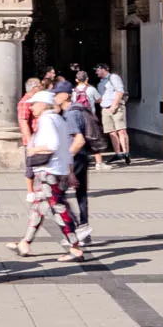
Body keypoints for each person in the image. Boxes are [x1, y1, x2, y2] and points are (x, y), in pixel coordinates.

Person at [6, 89, 85, 263]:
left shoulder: (47, 119)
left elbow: (53, 145)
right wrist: (69, 171)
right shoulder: (59, 119)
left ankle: (75, 247)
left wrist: (33, 149)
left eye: (34, 104)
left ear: (43, 104)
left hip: (49, 171)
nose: (31, 107)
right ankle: (24, 243)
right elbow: (65, 147)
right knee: (38, 207)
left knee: (58, 208)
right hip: (58, 170)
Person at [56, 79, 94, 244]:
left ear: (64, 95)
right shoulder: (75, 110)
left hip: (75, 159)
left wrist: (66, 158)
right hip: (81, 158)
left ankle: (74, 231)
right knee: (81, 195)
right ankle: (84, 229)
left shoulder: (70, 113)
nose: (54, 98)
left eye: (56, 95)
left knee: (58, 196)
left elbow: (78, 140)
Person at [95, 64, 129, 166]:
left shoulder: (113, 77)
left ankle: (126, 153)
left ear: (103, 69)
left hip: (116, 107)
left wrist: (114, 105)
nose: (96, 72)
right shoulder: (100, 84)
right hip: (105, 108)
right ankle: (118, 154)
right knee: (111, 132)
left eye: (98, 70)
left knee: (121, 130)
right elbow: (100, 97)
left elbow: (120, 91)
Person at [17, 74, 42, 199]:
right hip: (32, 139)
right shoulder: (25, 102)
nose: (42, 87)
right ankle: (30, 192)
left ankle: (39, 189)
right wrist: (29, 140)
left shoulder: (35, 101)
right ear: (34, 88)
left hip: (39, 138)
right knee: (31, 166)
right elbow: (23, 121)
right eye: (40, 85)